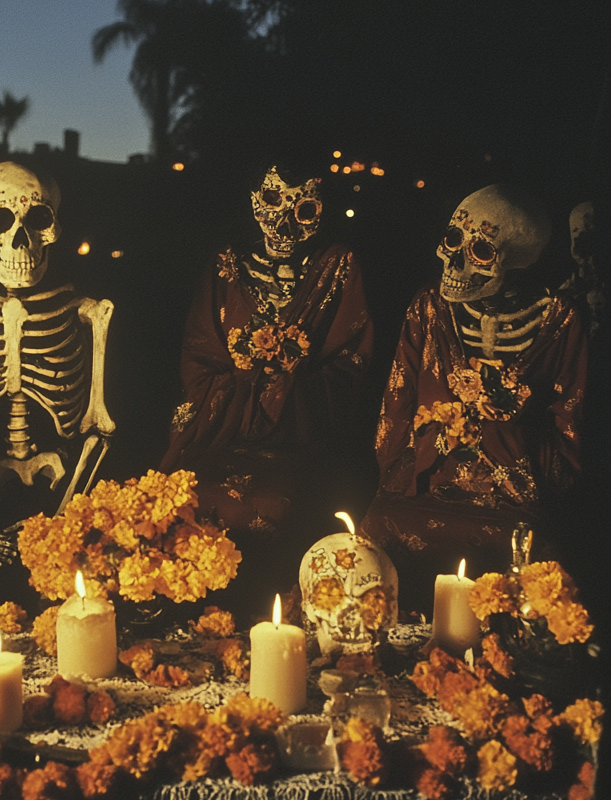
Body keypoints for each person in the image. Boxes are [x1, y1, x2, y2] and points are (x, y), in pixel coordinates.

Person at [161, 166, 373, 620]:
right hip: (223, 429)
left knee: (282, 501)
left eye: (304, 211)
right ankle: (189, 606)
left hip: (299, 433)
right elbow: (198, 355)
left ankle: (277, 613)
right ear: (254, 200)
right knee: (180, 498)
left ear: (322, 211)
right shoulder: (226, 263)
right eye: (272, 205)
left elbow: (351, 359)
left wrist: (292, 383)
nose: (283, 227)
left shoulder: (338, 266)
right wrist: (244, 380)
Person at [362, 185, 587, 610]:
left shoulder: (559, 319)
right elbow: (398, 396)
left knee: (532, 552)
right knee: (379, 525)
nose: (457, 261)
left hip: (515, 487)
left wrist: (512, 429)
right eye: (452, 242)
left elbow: (568, 419)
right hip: (428, 474)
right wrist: (400, 467)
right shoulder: (429, 306)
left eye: (482, 251)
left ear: (519, 261)